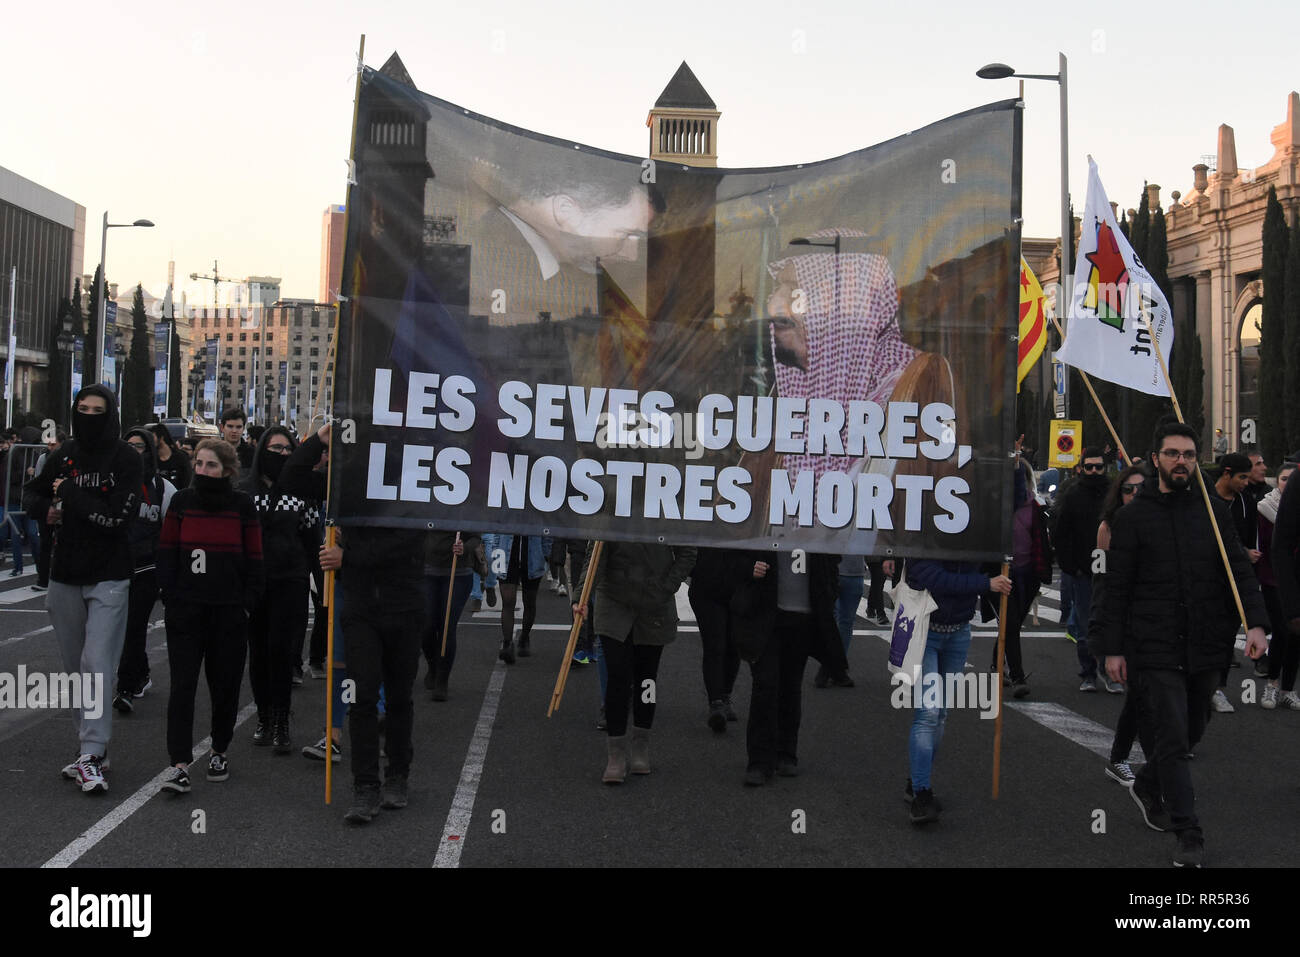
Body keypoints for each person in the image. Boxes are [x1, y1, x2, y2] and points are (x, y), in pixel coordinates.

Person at [1099, 422, 1268, 867]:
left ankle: (1146, 783)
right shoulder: (1134, 516)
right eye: (1172, 453)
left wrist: (1256, 624)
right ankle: (1188, 832)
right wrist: (1112, 648)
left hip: (1206, 639)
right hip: (1153, 644)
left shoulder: (1213, 512)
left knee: (1194, 727)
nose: (1181, 461)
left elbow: (1239, 571)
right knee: (1173, 735)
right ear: (1156, 460)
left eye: (1189, 454)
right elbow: (1117, 587)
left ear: (1197, 461)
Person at [27, 385, 142, 794]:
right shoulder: (65, 454)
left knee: (97, 664)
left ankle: (92, 752)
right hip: (64, 573)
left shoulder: (127, 458)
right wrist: (50, 509)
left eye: (98, 409)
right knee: (76, 668)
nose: (90, 415)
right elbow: (33, 496)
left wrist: (69, 493)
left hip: (109, 574)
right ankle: (89, 750)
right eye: (82, 408)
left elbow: (115, 519)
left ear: (111, 412)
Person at [156, 439, 263, 793]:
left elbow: (254, 559)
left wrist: (246, 603)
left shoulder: (242, 505)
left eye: (211, 465)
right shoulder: (182, 502)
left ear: (227, 470)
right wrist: (171, 597)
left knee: (225, 685)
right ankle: (179, 763)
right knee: (183, 686)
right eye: (199, 464)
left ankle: (219, 749)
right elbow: (168, 552)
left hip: (229, 611)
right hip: (186, 610)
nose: (203, 471)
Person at [573, 540, 696, 784]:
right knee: (618, 677)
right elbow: (596, 554)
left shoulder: (668, 506)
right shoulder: (614, 503)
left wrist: (667, 586)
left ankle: (641, 743)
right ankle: (615, 753)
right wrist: (581, 595)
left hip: (655, 602)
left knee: (647, 678)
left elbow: (688, 551)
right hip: (614, 601)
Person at [903, 560, 1013, 823]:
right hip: (923, 632)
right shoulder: (923, 532)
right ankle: (920, 791)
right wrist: (985, 583)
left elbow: (986, 564)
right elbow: (931, 576)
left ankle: (919, 779)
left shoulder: (972, 539)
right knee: (928, 713)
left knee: (940, 713)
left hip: (959, 632)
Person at [729, 549, 847, 787]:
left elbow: (831, 560)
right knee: (765, 685)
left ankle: (785, 752)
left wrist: (828, 594)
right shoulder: (761, 519)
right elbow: (732, 556)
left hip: (803, 618)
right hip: (767, 614)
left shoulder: (816, 522)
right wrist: (748, 567)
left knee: (791, 687)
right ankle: (760, 760)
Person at [241, 426, 310, 753]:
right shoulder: (243, 491)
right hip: (254, 584)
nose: (282, 454)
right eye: (275, 448)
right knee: (258, 653)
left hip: (291, 581)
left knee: (282, 652)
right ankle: (264, 717)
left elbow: (311, 539)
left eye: (288, 449)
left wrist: (322, 589)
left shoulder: (302, 492)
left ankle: (282, 720)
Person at [1088, 464, 1149, 786]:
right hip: (1127, 621)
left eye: (1141, 488)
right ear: (1119, 494)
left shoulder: (1158, 522)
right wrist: (1107, 639)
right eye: (1128, 489)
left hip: (1158, 618)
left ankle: (1162, 759)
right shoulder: (1107, 528)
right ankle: (1120, 757)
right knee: (1142, 695)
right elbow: (1103, 583)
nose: (1135, 495)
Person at [111, 429, 177, 714]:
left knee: (134, 627)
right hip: (113, 566)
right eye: (129, 445)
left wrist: (169, 574)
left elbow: (172, 534)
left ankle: (125, 687)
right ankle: (141, 672)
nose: (134, 451)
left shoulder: (163, 488)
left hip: (147, 567)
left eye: (140, 446)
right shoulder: (111, 482)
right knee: (118, 628)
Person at [1050, 447, 1118, 693]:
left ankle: (1110, 672)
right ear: (1081, 468)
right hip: (1083, 569)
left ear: (1105, 467)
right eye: (1089, 467)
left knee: (1112, 621)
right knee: (1084, 623)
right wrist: (1071, 566)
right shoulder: (1072, 494)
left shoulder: (1115, 493)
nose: (1093, 471)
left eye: (1098, 467)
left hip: (1112, 569)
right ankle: (1088, 672)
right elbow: (1061, 531)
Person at [988, 456, 1053, 698]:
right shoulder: (999, 506)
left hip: (1029, 573)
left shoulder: (1035, 508)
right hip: (1003, 573)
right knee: (1012, 623)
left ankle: (997, 664)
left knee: (1010, 623)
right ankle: (1017, 676)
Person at [1208, 452, 1260, 713]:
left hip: (1234, 578)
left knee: (1228, 634)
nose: (1245, 483)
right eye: (1241, 477)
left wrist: (1248, 552)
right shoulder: (1206, 500)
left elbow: (1249, 538)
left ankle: (1218, 687)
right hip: (1208, 577)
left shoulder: (1246, 502)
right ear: (1226, 474)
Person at [686, 548, 743, 733]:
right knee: (715, 645)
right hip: (707, 587)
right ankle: (716, 702)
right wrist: (697, 568)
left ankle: (725, 695)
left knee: (734, 645)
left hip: (739, 586)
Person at [1257, 462, 1298, 709]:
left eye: (1291, 479)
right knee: (1282, 631)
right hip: (1272, 578)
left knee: (1296, 637)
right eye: (1283, 479)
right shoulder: (1265, 507)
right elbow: (1266, 544)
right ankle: (1271, 683)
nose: (1287, 483)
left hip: (1295, 577)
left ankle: (1288, 689)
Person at [421, 530, 478, 701]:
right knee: (427, 626)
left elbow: (476, 535)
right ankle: (433, 664)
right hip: (426, 571)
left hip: (457, 572)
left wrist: (465, 548)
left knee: (447, 625)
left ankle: (442, 679)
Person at [495, 533, 546, 662]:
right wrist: (495, 551)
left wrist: (545, 553)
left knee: (529, 602)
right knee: (508, 601)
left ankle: (524, 636)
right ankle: (507, 643)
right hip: (506, 552)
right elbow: (497, 525)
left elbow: (547, 531)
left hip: (533, 555)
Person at [26, 430, 66, 591]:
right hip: (47, 502)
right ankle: (43, 579)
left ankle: (61, 577)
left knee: (63, 541)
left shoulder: (69, 458)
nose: (50, 447)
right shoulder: (43, 458)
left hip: (65, 503)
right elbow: (38, 481)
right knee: (45, 542)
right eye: (48, 444)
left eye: (53, 444)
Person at [148, 423, 193, 491]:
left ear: (161, 438)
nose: (149, 441)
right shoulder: (150, 459)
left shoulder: (181, 458)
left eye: (152, 437)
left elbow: (187, 482)